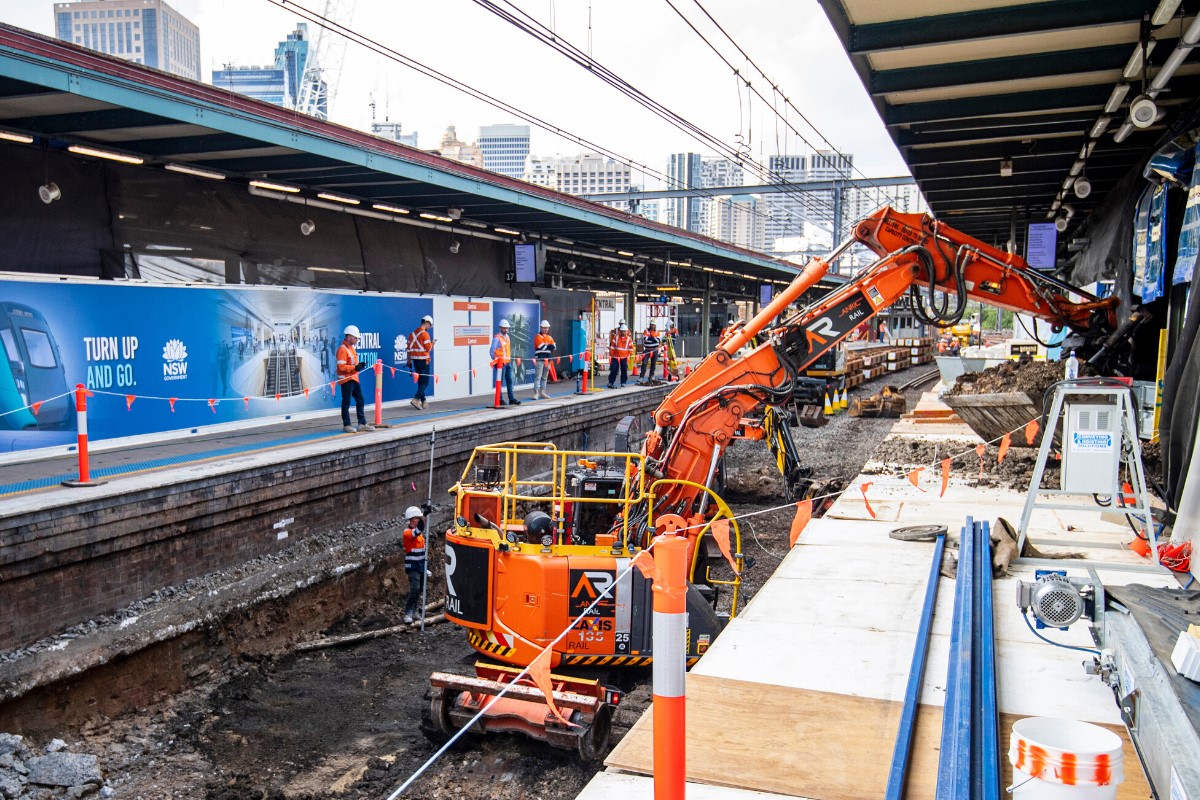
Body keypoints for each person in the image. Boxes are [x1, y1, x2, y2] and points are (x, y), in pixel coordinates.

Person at [336, 325, 374, 433]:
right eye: (356, 337)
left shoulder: (351, 348)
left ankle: (362, 423)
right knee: (346, 402)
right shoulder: (342, 350)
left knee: (360, 400)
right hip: (346, 380)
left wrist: (358, 366)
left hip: (353, 378)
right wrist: (355, 367)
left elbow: (351, 364)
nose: (357, 340)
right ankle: (347, 425)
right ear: (349, 337)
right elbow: (341, 367)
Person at [402, 505, 427, 624]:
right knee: (415, 588)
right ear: (412, 519)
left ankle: (415, 611)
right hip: (413, 567)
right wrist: (425, 515)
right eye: (418, 518)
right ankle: (408, 612)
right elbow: (417, 531)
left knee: (420, 589)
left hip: (421, 565)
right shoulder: (407, 533)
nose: (420, 520)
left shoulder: (420, 535)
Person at [490, 318, 520, 405]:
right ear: (500, 327)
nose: (506, 330)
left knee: (510, 380)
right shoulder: (497, 338)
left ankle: (511, 399)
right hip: (500, 364)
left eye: (507, 328)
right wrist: (496, 360)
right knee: (500, 381)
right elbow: (492, 351)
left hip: (507, 363)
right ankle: (500, 399)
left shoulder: (507, 337)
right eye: (504, 328)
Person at [408, 314, 435, 410]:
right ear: (427, 323)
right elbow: (428, 348)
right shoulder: (425, 334)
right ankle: (416, 399)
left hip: (415, 361)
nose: (429, 328)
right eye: (430, 326)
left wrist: (409, 361)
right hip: (424, 361)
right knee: (425, 382)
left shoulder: (412, 334)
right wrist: (432, 343)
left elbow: (409, 349)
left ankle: (423, 402)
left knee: (420, 381)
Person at [532, 319, 556, 400]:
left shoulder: (549, 337)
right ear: (541, 328)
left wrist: (549, 345)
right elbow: (543, 347)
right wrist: (549, 345)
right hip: (540, 359)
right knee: (538, 376)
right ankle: (536, 393)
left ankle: (543, 392)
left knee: (544, 377)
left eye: (547, 328)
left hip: (548, 360)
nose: (546, 329)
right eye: (544, 328)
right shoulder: (537, 337)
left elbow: (554, 347)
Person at [607, 321, 633, 389]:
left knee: (624, 369)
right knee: (613, 370)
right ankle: (611, 382)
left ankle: (623, 382)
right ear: (620, 331)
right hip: (615, 356)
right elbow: (612, 347)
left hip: (624, 357)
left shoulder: (629, 339)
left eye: (624, 331)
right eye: (622, 331)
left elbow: (631, 349)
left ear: (626, 331)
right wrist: (611, 355)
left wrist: (628, 355)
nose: (623, 332)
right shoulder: (616, 338)